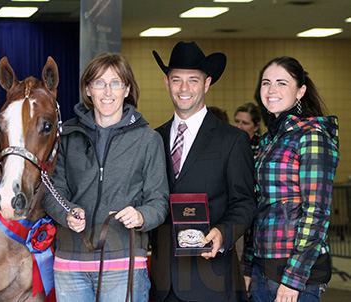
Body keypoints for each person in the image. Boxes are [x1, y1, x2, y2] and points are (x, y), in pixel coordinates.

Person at [42, 53, 169, 301]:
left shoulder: (148, 140)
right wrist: (66, 212)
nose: (107, 91)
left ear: (127, 89)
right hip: (71, 265)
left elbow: (159, 201)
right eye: (99, 83)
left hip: (124, 263)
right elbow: (51, 191)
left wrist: (141, 215)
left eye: (116, 83)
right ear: (88, 90)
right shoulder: (66, 136)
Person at [149, 41, 256, 302]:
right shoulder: (153, 139)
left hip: (213, 280)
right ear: (167, 83)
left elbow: (245, 202)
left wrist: (223, 232)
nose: (184, 89)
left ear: (206, 84)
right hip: (163, 283)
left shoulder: (231, 140)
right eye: (177, 80)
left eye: (193, 80)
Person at [243, 56, 340, 302]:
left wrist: (294, 279)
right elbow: (259, 206)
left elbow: (316, 212)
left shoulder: (312, 136)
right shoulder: (268, 140)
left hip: (297, 275)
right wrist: (247, 267)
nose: (271, 90)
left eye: (281, 83)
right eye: (266, 83)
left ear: (301, 91)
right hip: (262, 267)